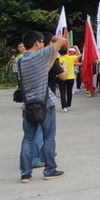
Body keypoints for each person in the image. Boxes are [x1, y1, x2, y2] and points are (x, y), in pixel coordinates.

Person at [18, 31, 67, 182]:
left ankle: (25, 173)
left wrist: (52, 53)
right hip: (45, 104)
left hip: (29, 106)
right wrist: (53, 40)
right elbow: (62, 40)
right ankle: (50, 170)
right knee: (48, 138)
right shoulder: (39, 55)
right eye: (41, 42)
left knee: (28, 139)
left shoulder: (20, 61)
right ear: (37, 43)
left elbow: (44, 70)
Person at [57, 44, 81, 112]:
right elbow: (79, 55)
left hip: (62, 77)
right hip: (71, 77)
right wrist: (76, 48)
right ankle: (68, 105)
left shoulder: (60, 59)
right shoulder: (71, 57)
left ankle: (64, 107)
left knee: (62, 92)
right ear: (67, 51)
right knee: (69, 91)